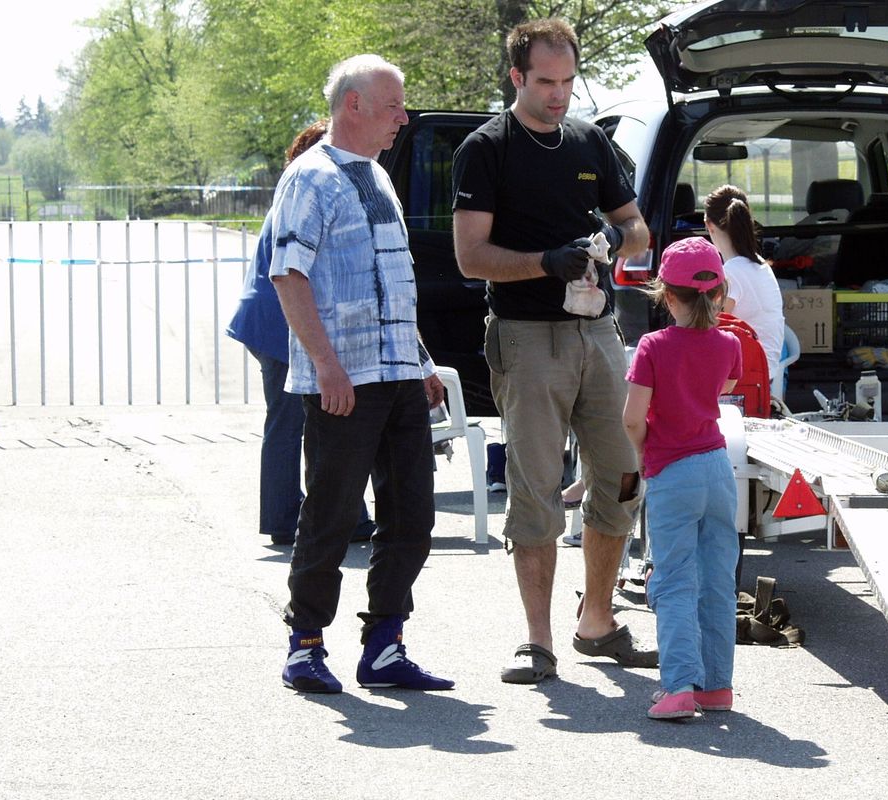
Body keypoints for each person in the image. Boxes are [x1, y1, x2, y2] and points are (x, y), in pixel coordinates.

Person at [452, 18, 655, 684]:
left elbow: (638, 228)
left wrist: (614, 238)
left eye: (568, 81)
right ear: (517, 76)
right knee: (537, 492)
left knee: (623, 477)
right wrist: (546, 261)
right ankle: (537, 641)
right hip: (526, 336)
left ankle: (597, 622)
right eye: (545, 82)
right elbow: (470, 257)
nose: (559, 94)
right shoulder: (486, 149)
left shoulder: (590, 140)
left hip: (597, 332)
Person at [271, 54, 452, 694]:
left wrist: (421, 362)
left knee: (412, 518)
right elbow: (288, 275)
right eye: (393, 105)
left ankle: (384, 647)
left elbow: (392, 283)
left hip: (398, 376)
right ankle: (305, 645)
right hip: (344, 382)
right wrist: (326, 365)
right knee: (332, 514)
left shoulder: (376, 174)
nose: (403, 117)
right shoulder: (309, 177)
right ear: (354, 104)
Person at [226, 120, 376, 547]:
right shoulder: (307, 194)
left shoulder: (296, 193)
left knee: (304, 421)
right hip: (281, 324)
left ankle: (315, 515)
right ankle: (300, 517)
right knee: (304, 421)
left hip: (272, 321)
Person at [621, 237, 742, 720]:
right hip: (717, 467)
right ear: (719, 294)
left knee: (673, 581)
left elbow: (632, 418)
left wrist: (643, 450)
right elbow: (722, 388)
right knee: (717, 580)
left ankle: (678, 687)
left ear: (667, 296)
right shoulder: (730, 344)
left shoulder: (653, 346)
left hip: (672, 469)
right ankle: (716, 685)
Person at [704, 184, 785, 385]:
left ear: (709, 225)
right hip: (766, 372)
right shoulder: (760, 265)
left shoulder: (731, 273)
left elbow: (710, 326)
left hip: (746, 376)